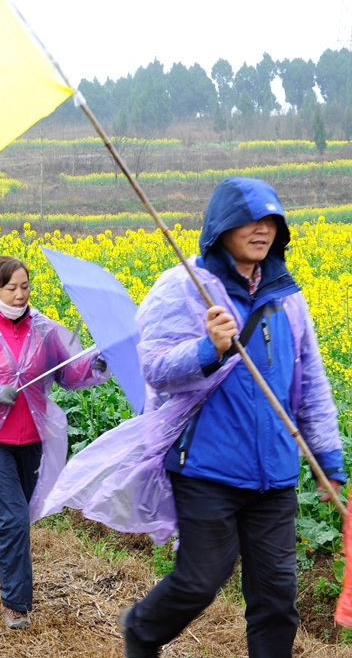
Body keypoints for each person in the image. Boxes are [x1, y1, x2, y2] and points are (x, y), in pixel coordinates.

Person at [83, 178, 343, 658]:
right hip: (206, 467)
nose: (262, 230)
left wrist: (328, 460)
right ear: (221, 228)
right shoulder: (183, 286)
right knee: (202, 579)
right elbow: (154, 368)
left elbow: (311, 387)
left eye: (271, 222)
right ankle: (142, 629)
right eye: (250, 221)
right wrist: (208, 348)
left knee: (277, 597)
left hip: (276, 473)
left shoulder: (288, 298)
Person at [0, 256, 109, 631]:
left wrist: (98, 360)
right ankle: (16, 605)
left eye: (25, 286)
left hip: (33, 439)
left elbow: (70, 373)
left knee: (18, 518)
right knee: (13, 518)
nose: (19, 294)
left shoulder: (44, 329)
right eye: (10, 288)